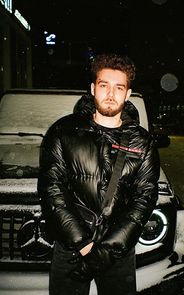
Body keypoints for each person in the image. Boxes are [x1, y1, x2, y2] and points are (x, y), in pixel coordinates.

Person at [38, 53, 160, 295]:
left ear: (127, 94)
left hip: (117, 252)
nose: (111, 94)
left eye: (119, 87)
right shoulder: (63, 132)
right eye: (104, 85)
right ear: (93, 88)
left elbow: (144, 199)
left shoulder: (143, 143)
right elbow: (52, 190)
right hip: (71, 248)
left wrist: (108, 249)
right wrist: (84, 244)